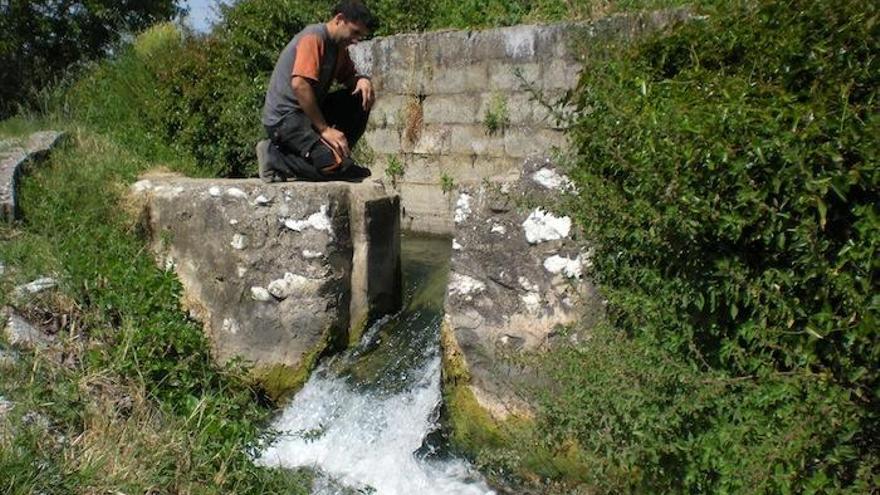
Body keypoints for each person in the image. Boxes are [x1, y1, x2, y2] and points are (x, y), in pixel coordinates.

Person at [257, 1, 377, 182]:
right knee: (330, 169)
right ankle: (274, 156)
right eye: (355, 32)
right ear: (339, 20)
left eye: (360, 36)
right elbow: (300, 85)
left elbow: (349, 77)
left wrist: (362, 80)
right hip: (285, 119)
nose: (355, 40)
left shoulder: (339, 48)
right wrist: (325, 129)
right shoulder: (314, 38)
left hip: (308, 113)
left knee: (360, 96)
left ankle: (339, 157)